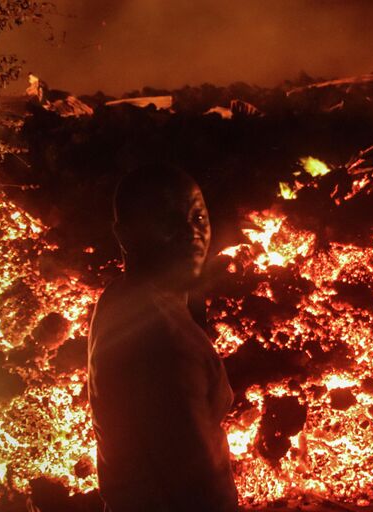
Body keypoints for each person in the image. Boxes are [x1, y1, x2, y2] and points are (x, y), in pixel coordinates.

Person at [87, 164, 238, 512]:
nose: (191, 233)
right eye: (169, 223)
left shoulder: (122, 297)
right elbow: (198, 486)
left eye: (198, 218)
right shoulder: (162, 338)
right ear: (125, 235)